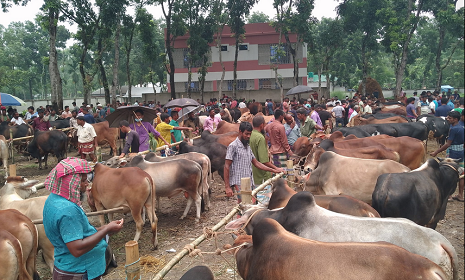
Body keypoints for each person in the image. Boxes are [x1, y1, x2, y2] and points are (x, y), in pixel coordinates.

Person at [43, 157, 124, 280]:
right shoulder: (67, 210)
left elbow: (77, 233)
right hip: (79, 271)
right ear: (71, 182)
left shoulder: (54, 199)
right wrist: (106, 230)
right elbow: (77, 248)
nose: (87, 184)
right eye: (83, 181)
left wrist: (104, 229)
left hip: (69, 267)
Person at [224, 122, 283, 202]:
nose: (248, 136)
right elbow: (226, 166)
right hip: (239, 182)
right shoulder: (233, 146)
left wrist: (274, 170)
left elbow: (256, 163)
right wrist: (227, 187)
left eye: (250, 134)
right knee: (246, 204)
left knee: (249, 205)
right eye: (246, 134)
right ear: (240, 132)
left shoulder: (247, 146)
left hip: (250, 181)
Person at [430, 110, 464, 202]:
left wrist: (436, 152)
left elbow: (448, 144)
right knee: (462, 174)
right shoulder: (461, 127)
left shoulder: (454, 129)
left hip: (453, 152)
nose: (447, 119)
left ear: (456, 119)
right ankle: (460, 195)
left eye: (450, 118)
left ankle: (449, 195)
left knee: (450, 173)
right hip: (461, 151)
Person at [249, 115, 276, 185]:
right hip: (261, 176)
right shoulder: (260, 138)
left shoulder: (249, 135)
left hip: (251, 174)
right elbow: (264, 161)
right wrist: (276, 169)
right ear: (261, 125)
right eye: (264, 124)